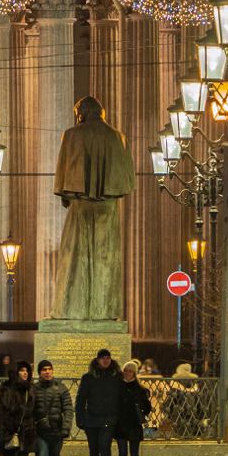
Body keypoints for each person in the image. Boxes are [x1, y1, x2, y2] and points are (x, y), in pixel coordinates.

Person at [52, 96, 136, 320]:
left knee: (74, 257)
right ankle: (105, 311)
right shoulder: (118, 137)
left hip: (80, 205)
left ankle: (69, 310)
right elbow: (127, 179)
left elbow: (63, 174)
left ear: (81, 113)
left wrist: (67, 194)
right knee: (105, 258)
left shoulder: (72, 135)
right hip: (107, 206)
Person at [76, 348, 122, 456]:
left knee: (105, 448)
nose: (105, 360)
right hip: (91, 420)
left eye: (107, 357)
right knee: (94, 451)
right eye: (103, 358)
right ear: (97, 360)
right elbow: (81, 399)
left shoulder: (117, 377)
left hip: (109, 419)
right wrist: (80, 419)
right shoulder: (88, 377)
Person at [32, 360, 72, 456]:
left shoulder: (61, 388)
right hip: (40, 433)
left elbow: (68, 409)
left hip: (56, 432)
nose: (47, 372)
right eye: (44, 370)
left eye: (49, 369)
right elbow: (29, 411)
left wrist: (66, 428)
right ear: (39, 372)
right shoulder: (34, 389)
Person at [115, 360, 152, 456]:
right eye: (125, 371)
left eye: (130, 371)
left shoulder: (140, 389)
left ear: (135, 373)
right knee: (122, 453)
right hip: (120, 425)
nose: (127, 373)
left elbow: (148, 407)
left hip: (134, 425)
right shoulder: (118, 387)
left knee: (134, 454)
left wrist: (140, 411)